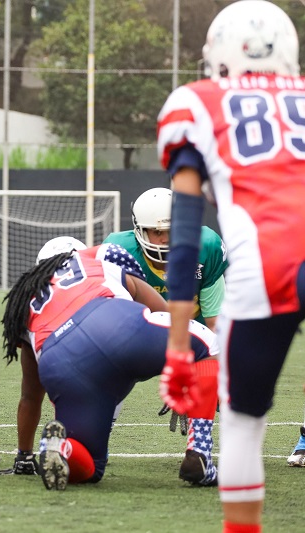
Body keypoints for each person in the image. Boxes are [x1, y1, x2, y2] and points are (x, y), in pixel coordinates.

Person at [156, 2, 305, 531]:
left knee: (243, 422)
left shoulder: (195, 103)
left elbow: (186, 236)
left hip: (271, 262)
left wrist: (178, 346)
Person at [0, 237, 220, 489]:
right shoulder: (97, 257)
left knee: (90, 468)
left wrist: (24, 456)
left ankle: (63, 447)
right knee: (207, 343)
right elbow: (163, 313)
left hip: (60, 363)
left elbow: (30, 395)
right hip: (110, 324)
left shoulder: (25, 301)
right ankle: (199, 454)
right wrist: (188, 377)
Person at [104, 187, 227, 331]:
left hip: (195, 336)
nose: (167, 239)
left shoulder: (206, 246)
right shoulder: (119, 252)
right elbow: (116, 324)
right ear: (139, 231)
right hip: (142, 336)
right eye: (157, 232)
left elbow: (214, 322)